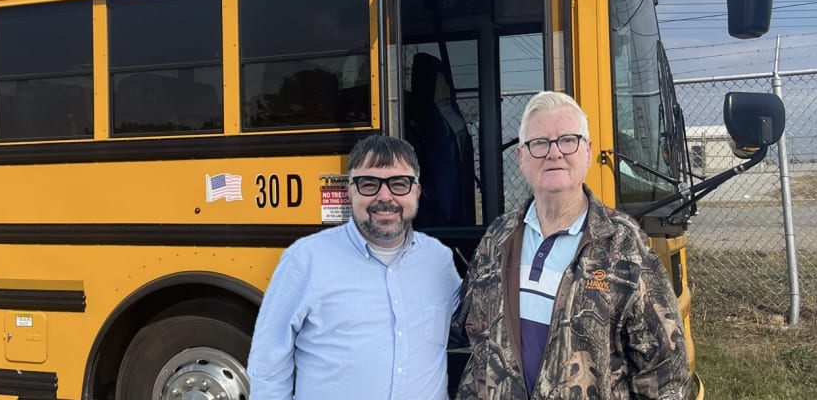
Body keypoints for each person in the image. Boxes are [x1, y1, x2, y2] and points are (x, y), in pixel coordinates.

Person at [452, 91, 690, 399]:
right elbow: (476, 345)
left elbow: (666, 375)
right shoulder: (497, 238)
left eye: (568, 140)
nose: (554, 153)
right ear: (522, 158)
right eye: (539, 143)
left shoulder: (624, 245)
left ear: (588, 152)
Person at [247, 134, 462, 399]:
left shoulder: (438, 260)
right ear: (350, 191)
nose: (385, 197)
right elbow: (268, 362)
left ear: (416, 192)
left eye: (399, 184)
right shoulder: (305, 260)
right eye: (369, 184)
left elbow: (471, 325)